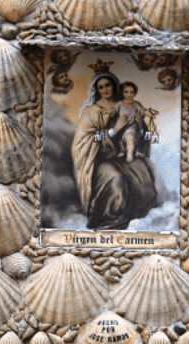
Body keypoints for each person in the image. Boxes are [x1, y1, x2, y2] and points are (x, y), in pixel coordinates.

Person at [71, 66, 159, 230]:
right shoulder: (91, 112)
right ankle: (110, 221)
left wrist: (140, 125)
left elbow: (143, 134)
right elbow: (88, 140)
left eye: (108, 85)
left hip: (125, 156)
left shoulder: (127, 105)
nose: (105, 89)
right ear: (96, 90)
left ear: (115, 86)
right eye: (101, 86)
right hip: (101, 161)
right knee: (115, 179)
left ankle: (140, 217)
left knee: (143, 171)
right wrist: (113, 130)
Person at [111, 81, 148, 163]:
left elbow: (143, 112)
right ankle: (124, 151)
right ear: (122, 92)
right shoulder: (120, 104)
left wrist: (148, 113)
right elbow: (113, 111)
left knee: (130, 138)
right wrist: (108, 112)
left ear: (135, 93)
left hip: (132, 126)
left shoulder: (136, 104)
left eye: (132, 92)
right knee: (122, 141)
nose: (129, 94)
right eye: (126, 92)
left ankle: (129, 155)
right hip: (122, 126)